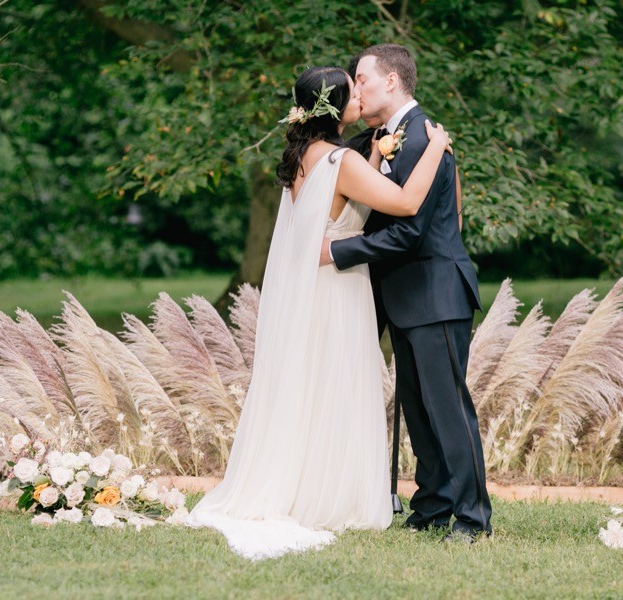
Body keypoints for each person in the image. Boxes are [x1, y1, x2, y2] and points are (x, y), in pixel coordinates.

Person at [185, 65, 452, 560]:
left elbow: (340, 204)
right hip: (337, 288)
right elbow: (406, 202)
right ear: (336, 108)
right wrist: (437, 146)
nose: (361, 96)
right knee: (337, 383)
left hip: (323, 285)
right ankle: (333, 494)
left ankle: (307, 483)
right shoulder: (338, 160)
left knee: (317, 384)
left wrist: (373, 152)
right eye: (354, 92)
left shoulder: (305, 157)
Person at [321, 44, 492, 543]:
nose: (357, 88)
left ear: (392, 83)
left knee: (448, 407)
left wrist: (340, 251)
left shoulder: (420, 137)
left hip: (436, 292)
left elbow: (411, 232)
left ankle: (472, 516)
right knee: (418, 409)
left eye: (363, 79)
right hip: (407, 295)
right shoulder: (384, 138)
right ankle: (433, 505)